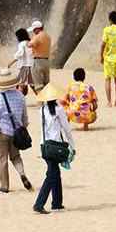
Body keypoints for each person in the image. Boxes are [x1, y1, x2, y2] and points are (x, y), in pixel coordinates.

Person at [0, 68, 33, 193]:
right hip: (16, 132)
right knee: (16, 156)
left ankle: (4, 186)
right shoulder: (20, 96)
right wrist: (24, 129)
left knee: (2, 159)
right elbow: (24, 117)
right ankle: (22, 174)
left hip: (2, 132)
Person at [33, 84, 73, 213]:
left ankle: (57, 203)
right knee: (51, 175)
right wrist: (72, 146)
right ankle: (39, 204)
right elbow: (66, 129)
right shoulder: (59, 109)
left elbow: (43, 128)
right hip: (55, 146)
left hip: (44, 145)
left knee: (55, 174)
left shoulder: (42, 110)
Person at [99, 10, 116, 106]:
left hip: (108, 59)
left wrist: (101, 56)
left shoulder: (107, 30)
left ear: (110, 20)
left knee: (107, 80)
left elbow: (103, 44)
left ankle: (109, 102)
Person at [10, 27, 35, 94]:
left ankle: (18, 99)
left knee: (21, 84)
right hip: (32, 65)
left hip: (25, 66)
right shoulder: (30, 42)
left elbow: (20, 53)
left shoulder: (22, 43)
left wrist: (12, 61)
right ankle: (41, 101)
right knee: (33, 85)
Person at [29, 19, 52, 92]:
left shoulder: (37, 37)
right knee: (46, 84)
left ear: (36, 29)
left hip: (38, 61)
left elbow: (30, 45)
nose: (33, 31)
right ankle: (50, 102)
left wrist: (26, 42)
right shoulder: (48, 36)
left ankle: (41, 103)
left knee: (38, 85)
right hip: (46, 61)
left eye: (34, 30)